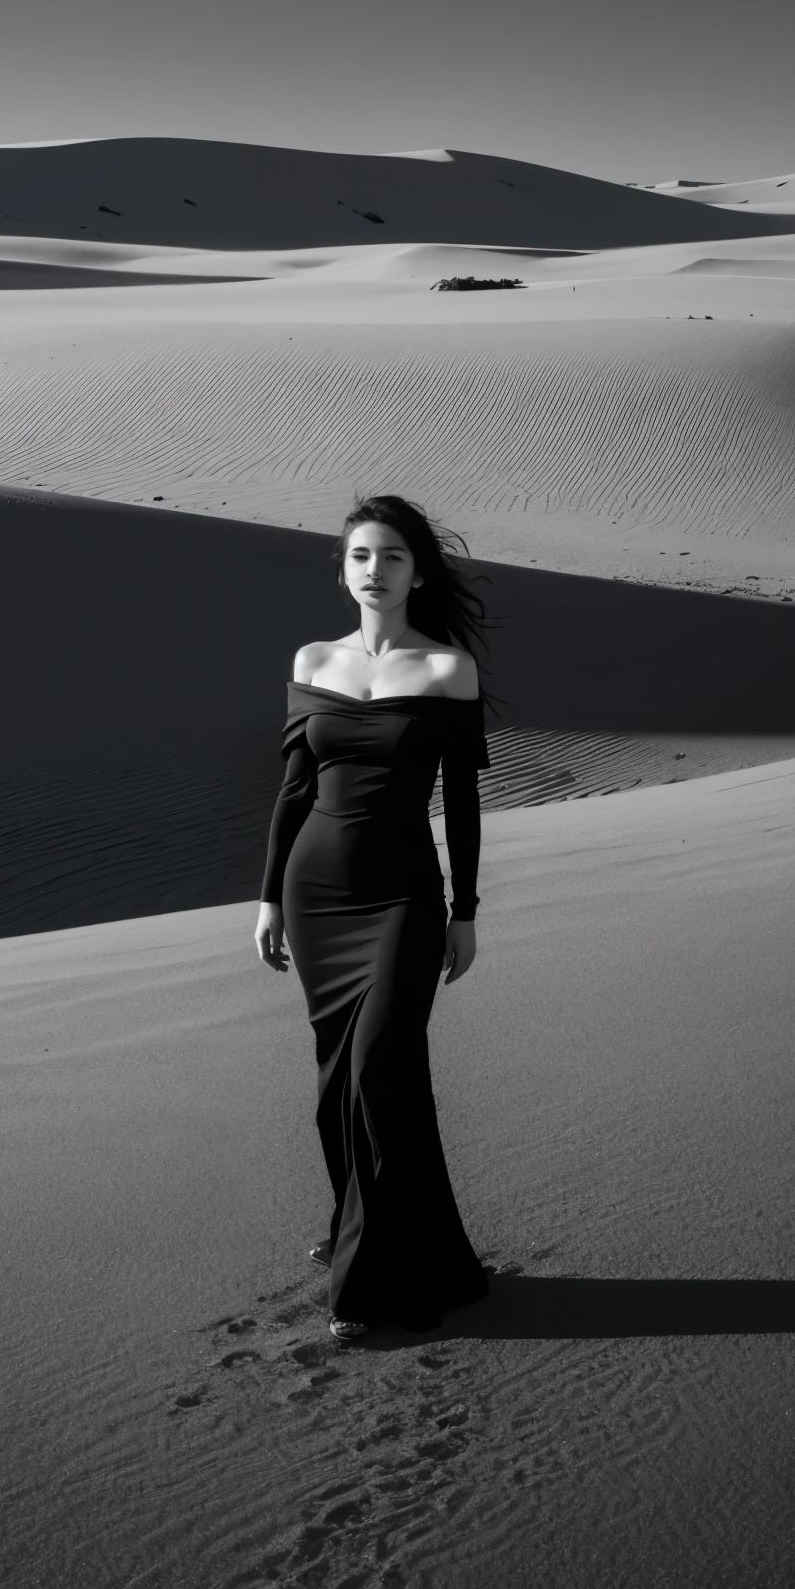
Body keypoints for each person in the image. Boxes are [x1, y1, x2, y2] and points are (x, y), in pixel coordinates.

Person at [255, 494, 492, 1342]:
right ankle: (401, 1243)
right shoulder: (313, 660)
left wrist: (465, 910)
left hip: (402, 897)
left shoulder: (445, 670)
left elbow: (461, 803)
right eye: (361, 555)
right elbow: (292, 790)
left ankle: (373, 1283)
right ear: (345, 568)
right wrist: (270, 895)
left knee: (380, 1073)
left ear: (417, 571)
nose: (375, 570)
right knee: (335, 1081)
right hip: (317, 894)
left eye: (392, 556)